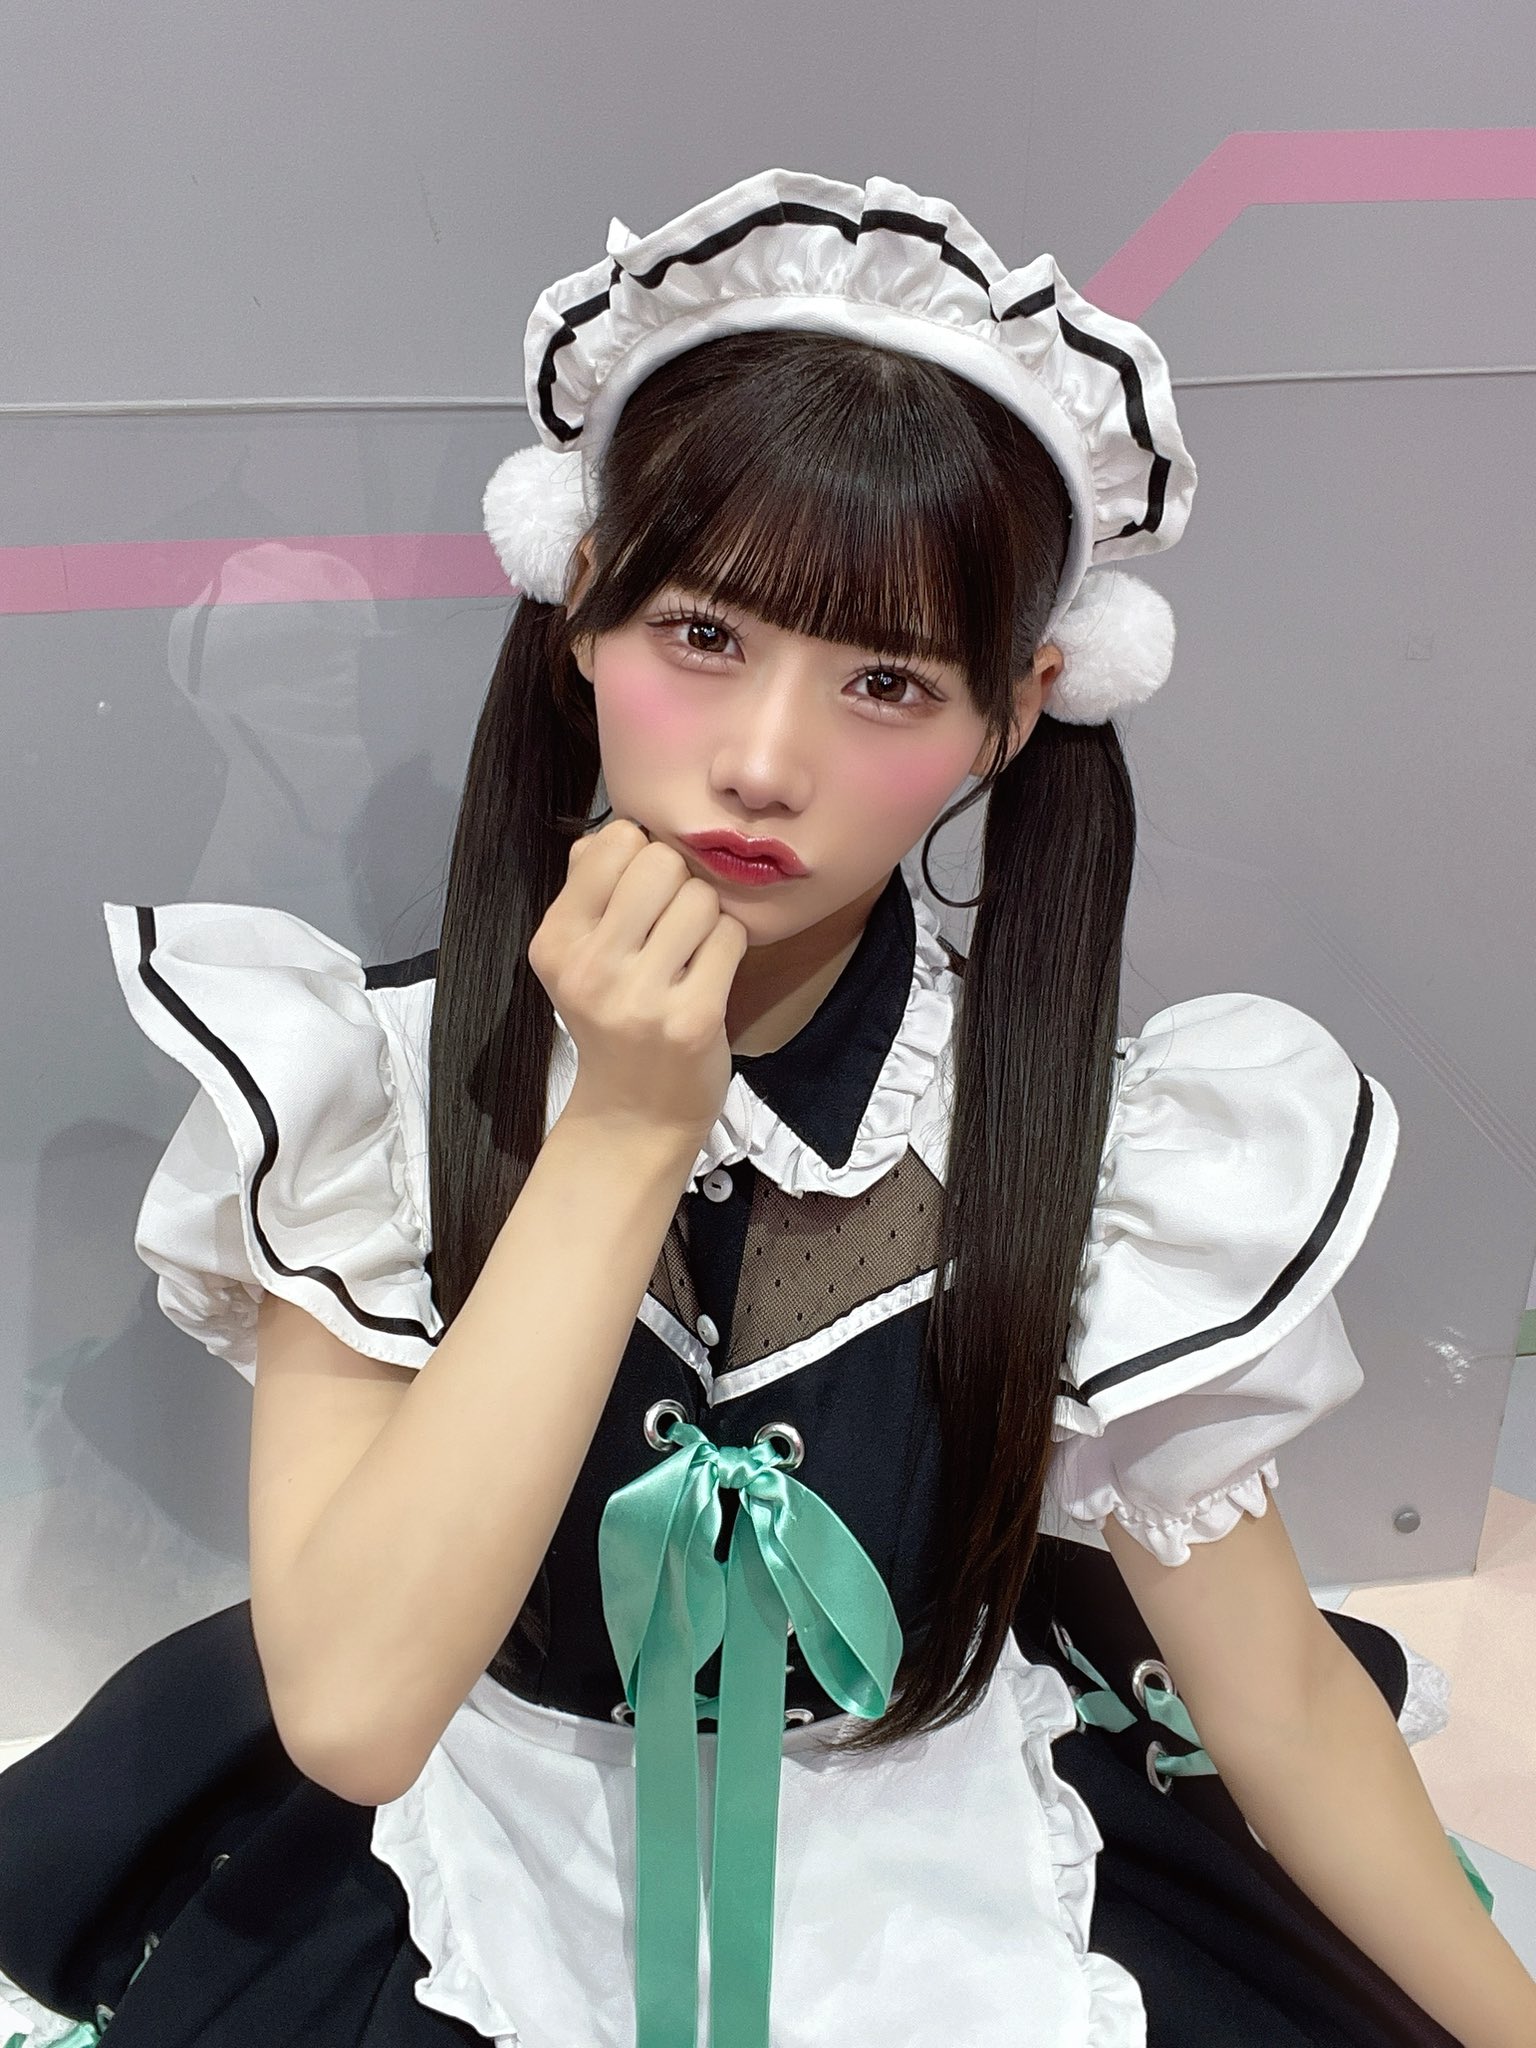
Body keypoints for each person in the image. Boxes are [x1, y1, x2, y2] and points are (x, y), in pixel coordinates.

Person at [0, 166, 1527, 2048]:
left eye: (886, 679)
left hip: (941, 1870)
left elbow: (1277, 1698)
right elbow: (358, 1712)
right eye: (705, 636)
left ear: (1015, 713)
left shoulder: (1103, 1152)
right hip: (477, 1857)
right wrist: (629, 1126)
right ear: (581, 607)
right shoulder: (372, 1084)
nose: (766, 760)